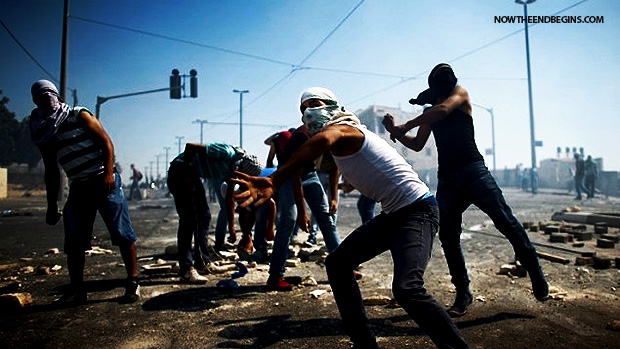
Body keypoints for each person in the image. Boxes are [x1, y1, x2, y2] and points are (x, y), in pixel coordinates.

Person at [233, 87, 468, 348]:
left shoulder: (344, 129)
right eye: (303, 110)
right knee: (337, 264)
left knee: (407, 289)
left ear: (334, 106)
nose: (308, 112)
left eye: (315, 104)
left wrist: (275, 178)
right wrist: (343, 189)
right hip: (394, 214)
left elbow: (322, 141)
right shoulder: (341, 143)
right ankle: (365, 344)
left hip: (418, 210)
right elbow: (366, 171)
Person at [383, 63, 549, 318]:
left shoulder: (459, 95)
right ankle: (463, 292)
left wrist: (404, 125)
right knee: (448, 236)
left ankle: (535, 271)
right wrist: (396, 132)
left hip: (474, 171)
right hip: (448, 180)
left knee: (506, 222)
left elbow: (441, 112)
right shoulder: (429, 110)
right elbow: (417, 145)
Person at [29, 79, 140, 306]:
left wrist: (109, 174)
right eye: (40, 98)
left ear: (56, 96)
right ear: (35, 102)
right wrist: (52, 205)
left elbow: (106, 142)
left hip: (103, 181)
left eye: (48, 95)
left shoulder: (79, 115)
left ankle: (133, 282)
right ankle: (77, 290)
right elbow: (51, 169)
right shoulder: (42, 130)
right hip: (79, 186)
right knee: (75, 241)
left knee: (121, 233)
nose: (46, 101)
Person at [266, 103, 342, 291]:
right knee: (288, 220)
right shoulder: (302, 136)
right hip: (288, 173)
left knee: (327, 218)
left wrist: (334, 197)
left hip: (310, 174)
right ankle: (276, 275)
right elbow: (295, 176)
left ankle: (343, 268)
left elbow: (335, 166)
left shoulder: (332, 131)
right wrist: (302, 212)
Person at [166, 142, 262, 283]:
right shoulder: (226, 152)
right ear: (241, 166)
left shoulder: (232, 171)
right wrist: (185, 169)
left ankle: (203, 263)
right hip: (180, 171)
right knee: (189, 220)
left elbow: (229, 198)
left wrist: (232, 228)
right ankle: (186, 269)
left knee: (204, 217)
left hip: (193, 175)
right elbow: (190, 147)